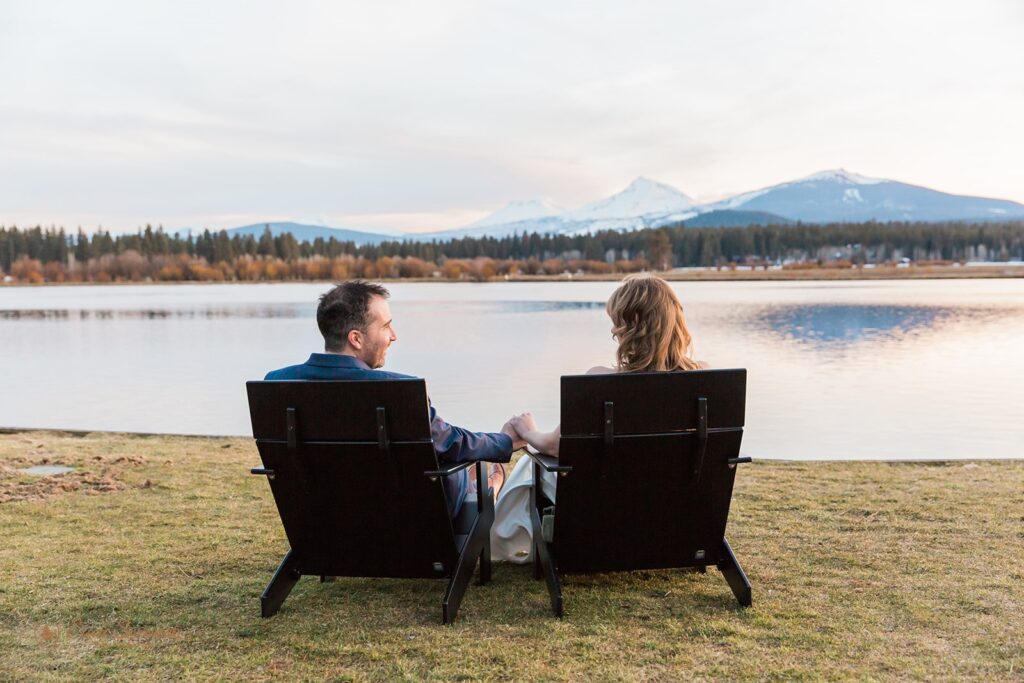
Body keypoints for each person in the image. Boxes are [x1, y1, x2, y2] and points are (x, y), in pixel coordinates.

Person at [491, 273, 707, 562]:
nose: (614, 331)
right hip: (670, 501)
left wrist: (527, 431)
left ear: (633, 326)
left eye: (618, 321)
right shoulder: (703, 379)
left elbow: (555, 446)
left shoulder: (601, 382)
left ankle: (498, 537)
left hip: (606, 502)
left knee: (529, 470)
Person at [264, 280, 521, 518]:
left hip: (327, 520)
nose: (394, 335)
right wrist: (507, 440)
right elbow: (451, 442)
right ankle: (488, 485)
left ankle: (483, 482)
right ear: (356, 338)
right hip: (407, 522)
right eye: (386, 326)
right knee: (465, 464)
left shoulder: (275, 384)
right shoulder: (399, 390)